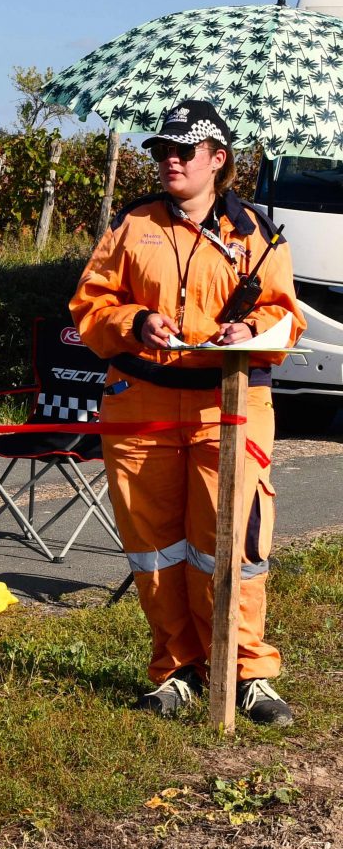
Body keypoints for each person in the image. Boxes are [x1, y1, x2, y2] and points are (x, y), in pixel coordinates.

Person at [70, 100, 306, 726]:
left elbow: (287, 318)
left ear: (218, 160)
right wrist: (136, 320)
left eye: (184, 151)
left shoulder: (257, 234)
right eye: (161, 150)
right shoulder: (131, 225)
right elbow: (89, 306)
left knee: (232, 542)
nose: (169, 160)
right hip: (138, 401)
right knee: (155, 547)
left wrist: (249, 328)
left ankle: (245, 671)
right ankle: (176, 669)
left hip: (228, 405)